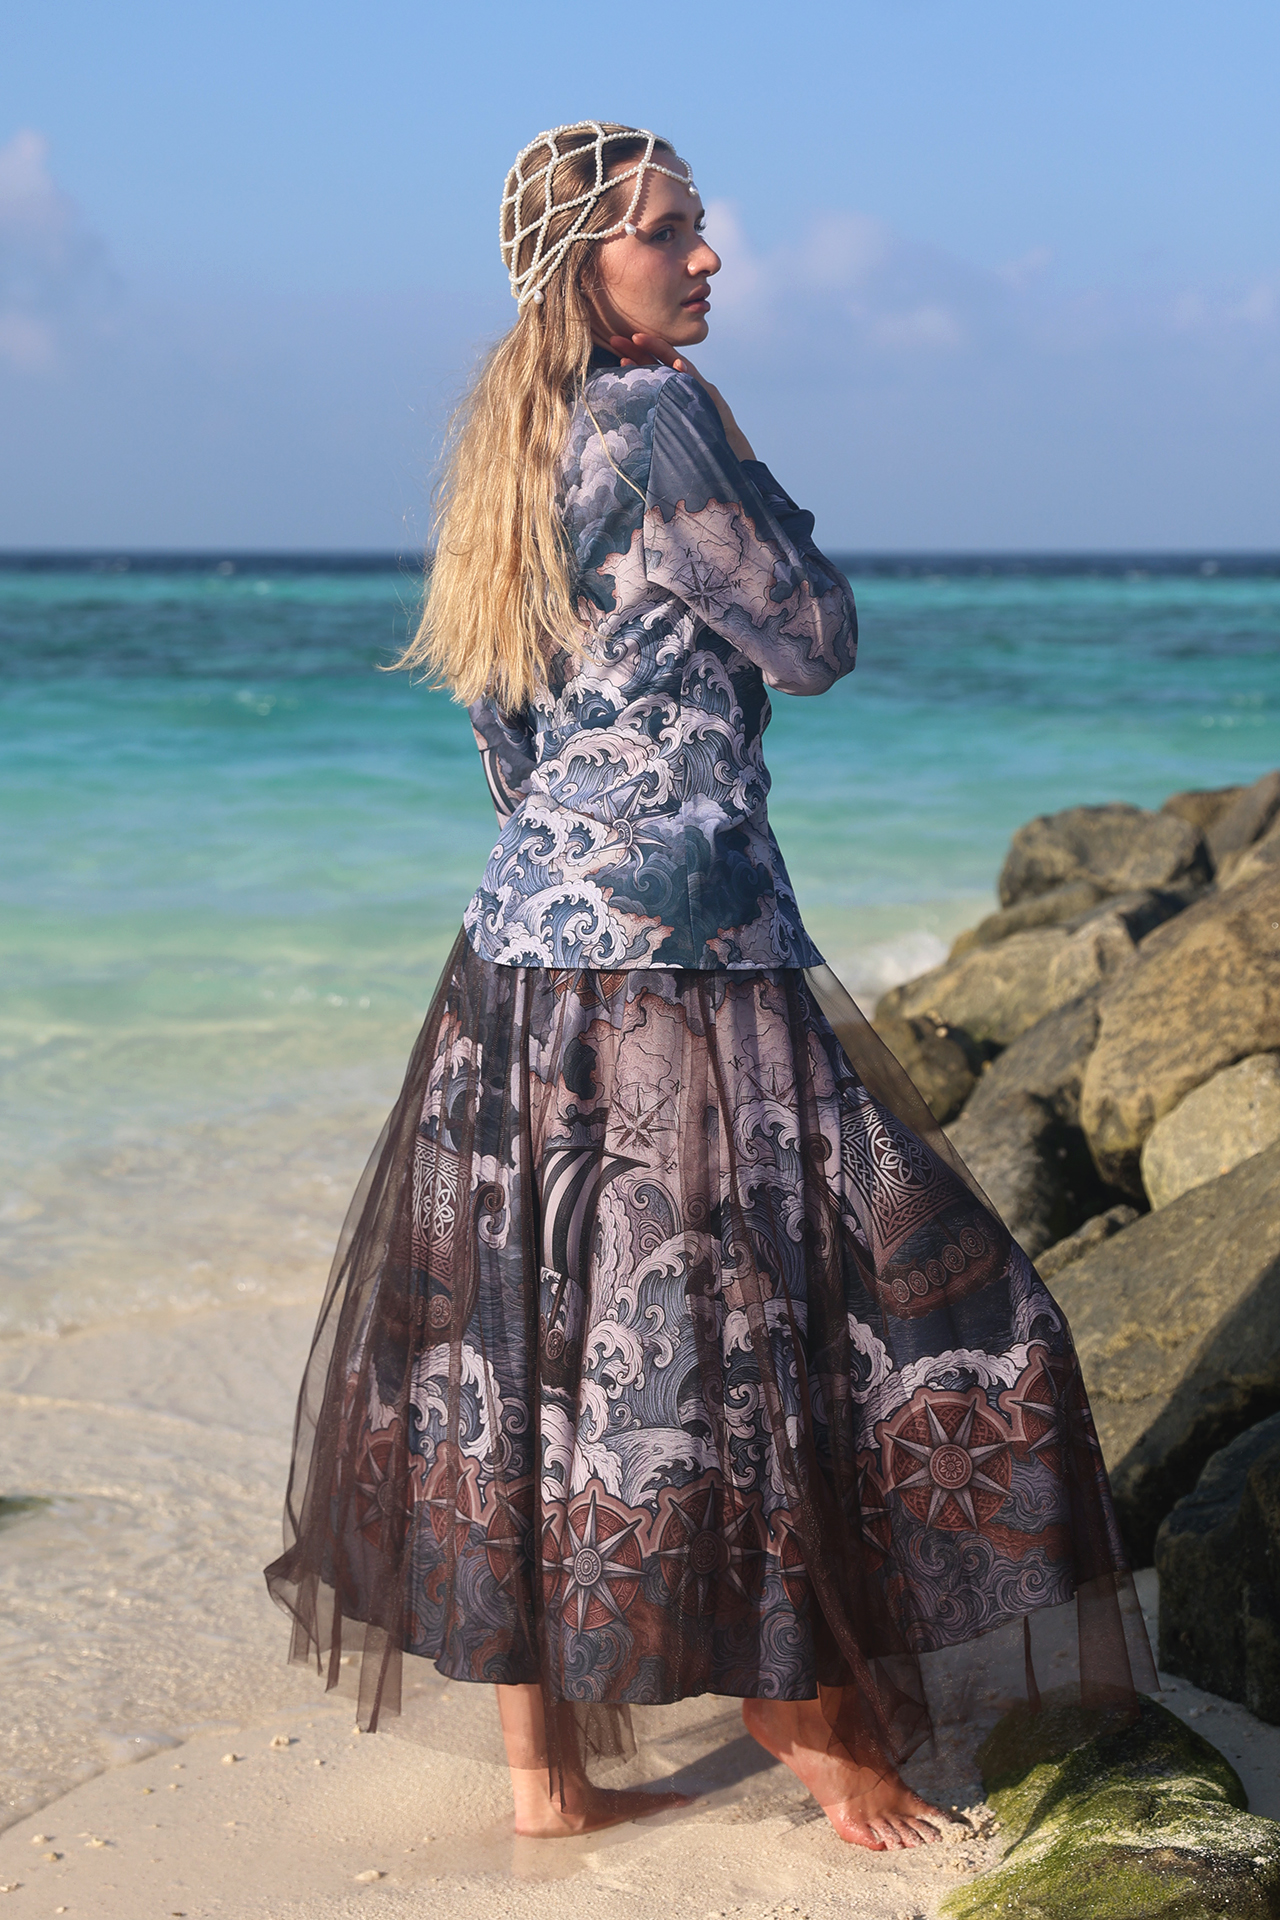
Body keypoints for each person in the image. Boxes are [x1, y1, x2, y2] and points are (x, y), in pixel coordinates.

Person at [266, 122, 1154, 1853]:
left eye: (697, 226)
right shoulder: (660, 421)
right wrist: (742, 453)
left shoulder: (507, 446)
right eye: (671, 231)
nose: (708, 256)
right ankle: (808, 1725)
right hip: (684, 951)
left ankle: (547, 1779)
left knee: (537, 1348)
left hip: (520, 951)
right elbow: (813, 641)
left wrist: (585, 858)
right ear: (584, 265)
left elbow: (507, 740)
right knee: (777, 1325)